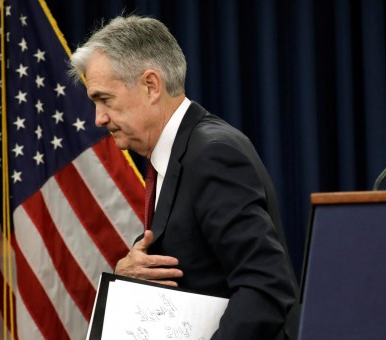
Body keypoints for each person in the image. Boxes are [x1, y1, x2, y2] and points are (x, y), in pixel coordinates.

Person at [69, 15, 298, 339]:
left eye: (104, 99)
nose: (99, 118)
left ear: (151, 85)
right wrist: (126, 280)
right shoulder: (174, 155)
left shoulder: (212, 155)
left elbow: (266, 286)